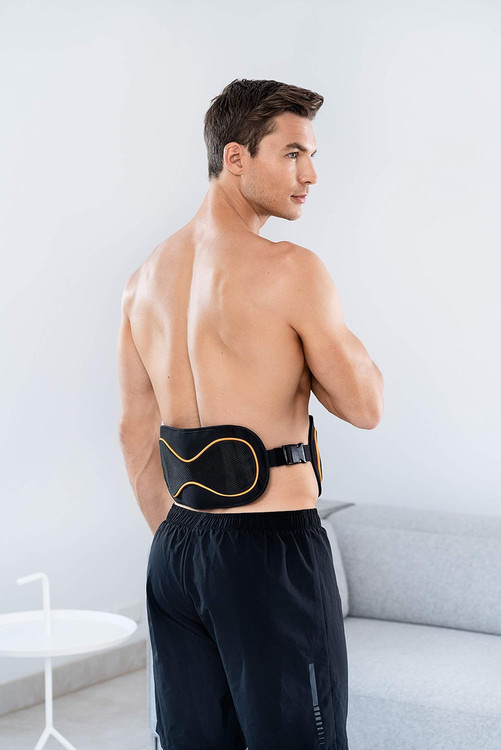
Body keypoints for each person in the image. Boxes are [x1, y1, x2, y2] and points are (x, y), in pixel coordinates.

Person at [117, 78, 384, 750]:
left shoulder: (143, 280)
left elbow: (134, 430)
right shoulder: (292, 269)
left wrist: (188, 544)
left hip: (176, 552)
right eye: (292, 153)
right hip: (269, 553)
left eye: (311, 156)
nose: (310, 175)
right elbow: (365, 406)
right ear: (235, 158)